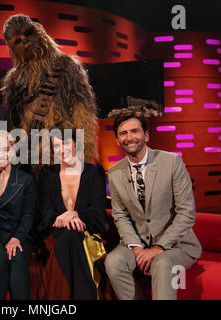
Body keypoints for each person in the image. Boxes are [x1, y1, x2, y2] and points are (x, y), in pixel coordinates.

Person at [104, 108, 202, 300]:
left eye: (134, 131)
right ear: (117, 140)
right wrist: (136, 247)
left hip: (176, 244)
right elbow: (120, 215)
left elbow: (186, 212)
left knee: (162, 262)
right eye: (123, 133)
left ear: (146, 135)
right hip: (137, 242)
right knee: (113, 262)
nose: (129, 137)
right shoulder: (114, 172)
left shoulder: (172, 162)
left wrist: (159, 247)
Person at [35, 121, 109, 300]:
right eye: (57, 145)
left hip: (87, 238)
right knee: (68, 237)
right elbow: (44, 215)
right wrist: (66, 218)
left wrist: (76, 214)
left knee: (72, 236)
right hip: (55, 236)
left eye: (66, 142)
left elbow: (100, 216)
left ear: (76, 142)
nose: (62, 149)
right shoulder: (47, 174)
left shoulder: (94, 172)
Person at [0, 130, 36, 300]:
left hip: (17, 234)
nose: (2, 154)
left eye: (6, 149)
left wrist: (17, 238)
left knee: (17, 255)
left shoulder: (25, 180)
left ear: (13, 151)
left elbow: (28, 215)